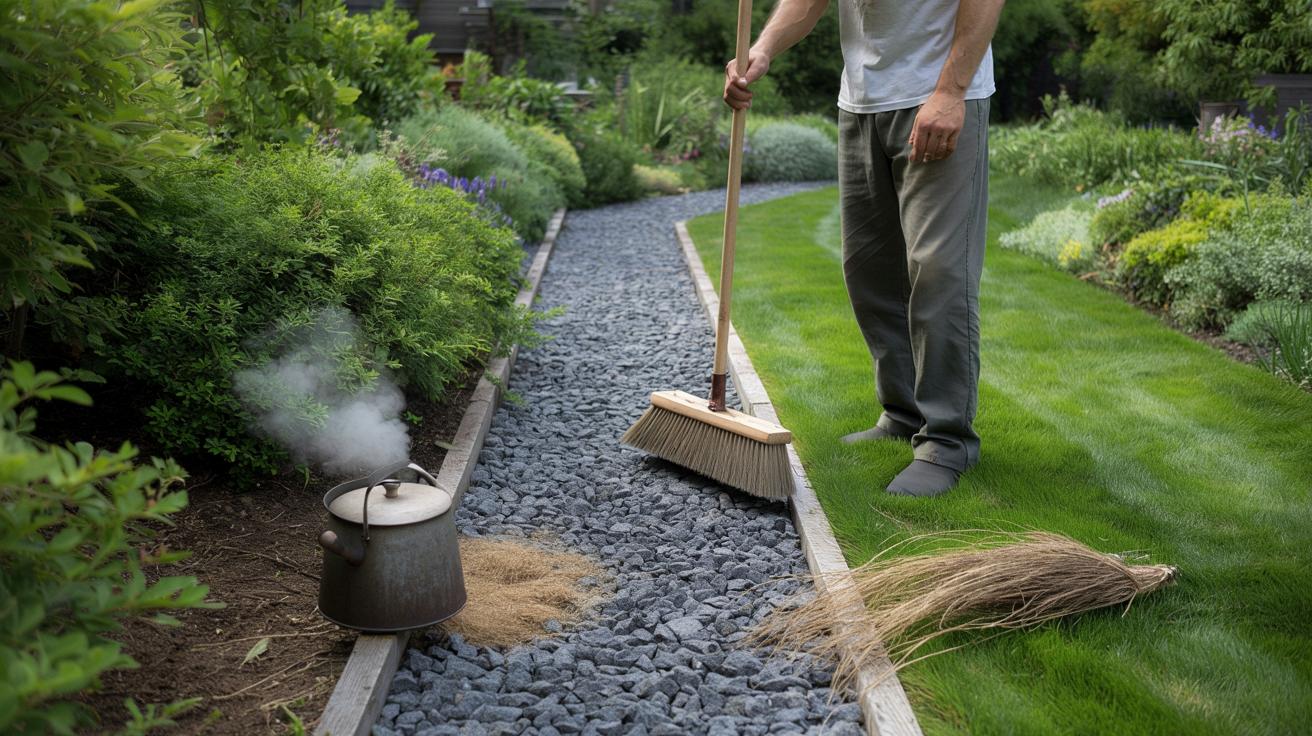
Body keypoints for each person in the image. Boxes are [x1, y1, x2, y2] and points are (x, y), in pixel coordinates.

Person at [724, 0, 1005, 497]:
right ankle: (902, 412)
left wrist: (950, 92)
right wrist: (762, 49)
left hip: (936, 98)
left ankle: (946, 442)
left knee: (939, 271)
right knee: (869, 271)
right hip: (862, 102)